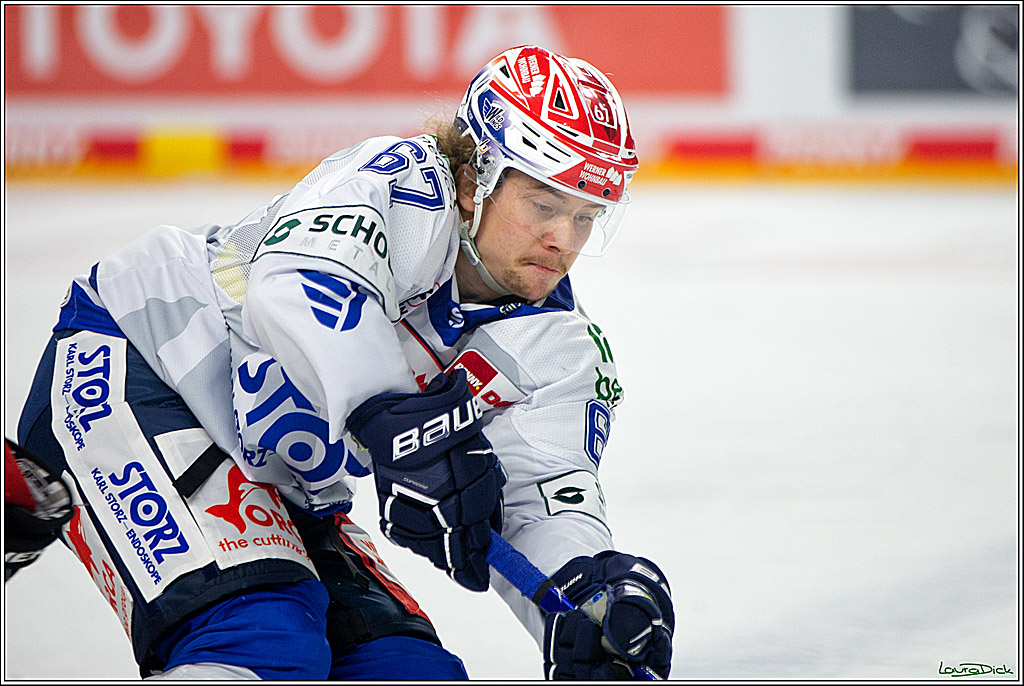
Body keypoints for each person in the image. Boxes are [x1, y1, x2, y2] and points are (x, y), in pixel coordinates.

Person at [16, 44, 674, 680]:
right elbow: (296, 289)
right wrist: (394, 418)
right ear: (476, 179)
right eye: (544, 204)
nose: (564, 240)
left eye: (586, 216)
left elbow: (538, 494)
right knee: (262, 644)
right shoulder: (403, 185)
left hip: (280, 477)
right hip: (140, 362)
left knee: (406, 671)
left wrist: (582, 591)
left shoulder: (558, 347)